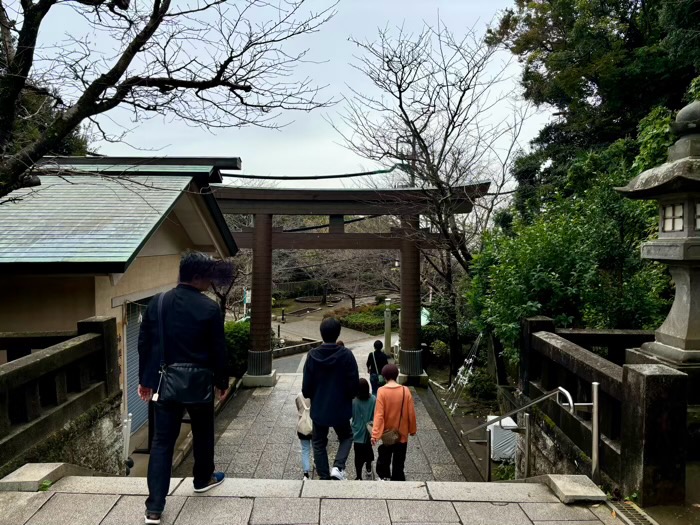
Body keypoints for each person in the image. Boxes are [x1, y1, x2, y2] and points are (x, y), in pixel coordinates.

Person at [138, 252, 229, 525]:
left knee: (162, 442)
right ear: (199, 277)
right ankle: (203, 479)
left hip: (165, 382)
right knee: (203, 432)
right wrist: (222, 382)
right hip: (199, 383)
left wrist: (146, 381)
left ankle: (154, 507)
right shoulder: (210, 308)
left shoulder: (158, 302)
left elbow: (145, 343)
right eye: (209, 276)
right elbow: (218, 350)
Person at [302, 317, 359, 480]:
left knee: (318, 442)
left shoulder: (312, 355)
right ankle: (338, 467)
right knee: (346, 436)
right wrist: (348, 396)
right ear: (338, 333)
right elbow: (353, 385)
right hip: (341, 408)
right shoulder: (347, 355)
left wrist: (313, 395)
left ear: (321, 333)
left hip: (319, 408)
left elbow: (306, 388)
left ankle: (324, 477)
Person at [371, 364, 417, 481]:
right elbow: (411, 413)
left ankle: (385, 477)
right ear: (396, 375)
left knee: (385, 458)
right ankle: (398, 480)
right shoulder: (405, 390)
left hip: (388, 435)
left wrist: (375, 434)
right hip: (402, 434)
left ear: (384, 376)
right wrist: (412, 429)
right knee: (399, 462)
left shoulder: (381, 391)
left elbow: (379, 415)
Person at [351, 378, 376, 480]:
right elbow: (376, 415)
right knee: (368, 450)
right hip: (368, 432)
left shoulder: (353, 400)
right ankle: (369, 468)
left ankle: (358, 475)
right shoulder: (373, 399)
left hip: (357, 432)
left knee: (358, 456)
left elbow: (351, 415)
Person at [295, 392, 313, 480]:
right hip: (313, 425)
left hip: (302, 426)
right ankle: (316, 461)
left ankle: (306, 474)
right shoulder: (315, 394)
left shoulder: (298, 396)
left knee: (305, 449)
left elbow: (298, 408)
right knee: (316, 446)